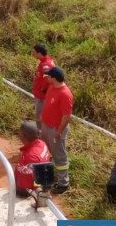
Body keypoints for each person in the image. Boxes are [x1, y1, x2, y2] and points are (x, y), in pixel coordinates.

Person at [40, 66, 73, 194]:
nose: (47, 77)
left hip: (55, 130)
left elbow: (66, 116)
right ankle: (47, 176)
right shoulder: (52, 87)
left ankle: (63, 183)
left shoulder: (65, 94)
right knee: (45, 152)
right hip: (46, 126)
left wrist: (58, 132)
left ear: (53, 78)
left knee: (59, 156)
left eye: (48, 76)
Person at [15, 120, 51, 197]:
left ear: (24, 136)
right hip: (44, 178)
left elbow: (24, 182)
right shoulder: (42, 143)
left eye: (20, 133)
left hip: (34, 187)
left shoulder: (30, 156)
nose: (18, 134)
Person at [31, 44, 55, 130]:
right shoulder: (46, 60)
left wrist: (42, 90)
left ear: (39, 53)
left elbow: (47, 80)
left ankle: (40, 134)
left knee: (39, 116)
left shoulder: (45, 65)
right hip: (40, 95)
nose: (32, 53)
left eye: (34, 52)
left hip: (41, 97)